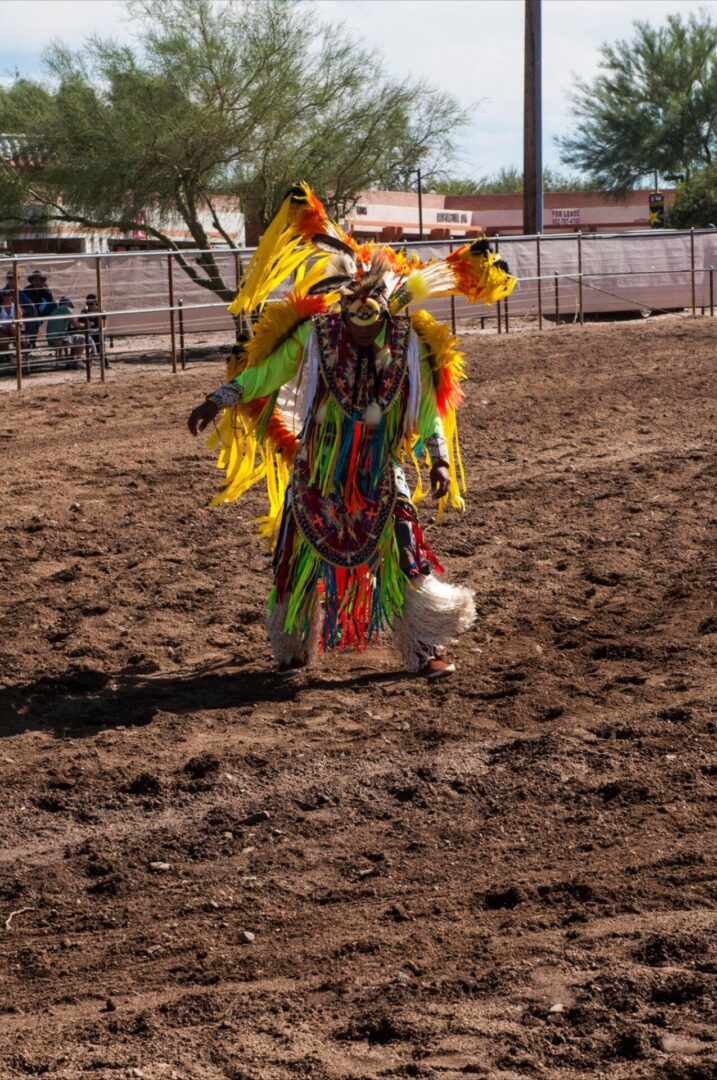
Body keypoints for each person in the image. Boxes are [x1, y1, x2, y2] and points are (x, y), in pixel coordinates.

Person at [188, 183, 516, 678]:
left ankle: (423, 649)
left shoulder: (408, 343)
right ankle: (294, 645)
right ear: (342, 311)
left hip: (379, 471)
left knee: (404, 547)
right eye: (354, 325)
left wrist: (440, 459)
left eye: (372, 325)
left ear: (386, 312)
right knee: (297, 553)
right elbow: (266, 376)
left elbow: (424, 410)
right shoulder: (315, 334)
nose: (362, 334)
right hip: (318, 470)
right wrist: (219, 398)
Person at [23, 270, 56, 348]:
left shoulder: (46, 291)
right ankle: (31, 341)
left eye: (39, 279)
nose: (37, 282)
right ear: (32, 281)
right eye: (35, 279)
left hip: (42, 312)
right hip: (30, 312)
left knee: (55, 305)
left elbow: (50, 302)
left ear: (42, 281)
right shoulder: (27, 290)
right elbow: (25, 303)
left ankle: (55, 336)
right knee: (34, 320)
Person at [48, 295, 84, 362]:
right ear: (68, 302)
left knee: (74, 338)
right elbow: (75, 325)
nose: (71, 309)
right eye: (70, 306)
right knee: (81, 338)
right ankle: (78, 361)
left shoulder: (55, 310)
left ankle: (72, 360)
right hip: (58, 339)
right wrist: (86, 325)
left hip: (51, 340)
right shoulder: (65, 309)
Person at [80, 293, 109, 365]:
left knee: (101, 337)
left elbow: (104, 326)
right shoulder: (84, 312)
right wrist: (86, 321)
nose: (89, 305)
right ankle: (103, 360)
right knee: (98, 340)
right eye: (88, 303)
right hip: (89, 332)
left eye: (91, 303)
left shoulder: (101, 311)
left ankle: (93, 356)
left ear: (96, 302)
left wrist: (101, 329)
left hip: (99, 332)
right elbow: (80, 323)